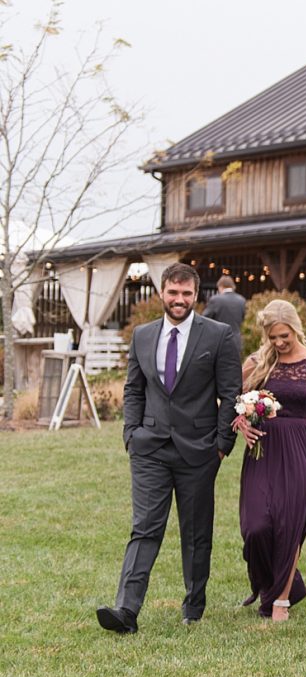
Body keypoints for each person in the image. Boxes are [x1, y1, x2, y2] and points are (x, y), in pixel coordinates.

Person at [98, 262, 241, 633]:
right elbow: (133, 389)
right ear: (162, 292)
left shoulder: (219, 336)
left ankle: (194, 605)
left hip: (200, 450)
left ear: (197, 296)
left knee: (196, 533)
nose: (179, 300)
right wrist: (131, 433)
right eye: (173, 293)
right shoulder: (143, 336)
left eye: (187, 294)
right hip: (150, 448)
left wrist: (222, 445)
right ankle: (126, 611)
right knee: (144, 527)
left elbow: (230, 394)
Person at [234, 298, 306, 621]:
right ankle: (281, 583)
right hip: (263, 449)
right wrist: (241, 425)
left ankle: (279, 599)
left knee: (289, 524)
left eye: (284, 336)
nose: (279, 343)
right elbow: (232, 401)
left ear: (296, 329)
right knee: (256, 527)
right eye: (273, 337)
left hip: (300, 451)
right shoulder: (257, 362)